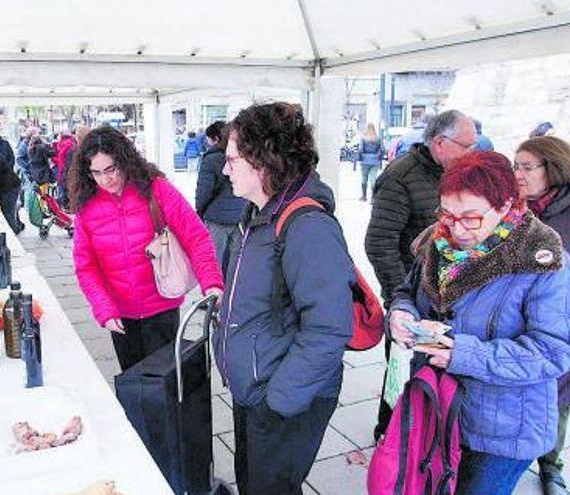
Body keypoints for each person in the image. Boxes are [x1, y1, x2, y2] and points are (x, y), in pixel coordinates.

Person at [387, 150, 570, 495]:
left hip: (501, 431)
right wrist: (401, 313)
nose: (457, 228)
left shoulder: (543, 261)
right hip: (439, 407)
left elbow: (558, 349)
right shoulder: (440, 238)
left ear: (507, 204)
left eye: (472, 218)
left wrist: (462, 354)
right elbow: (408, 290)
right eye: (447, 214)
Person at [215, 103, 355, 494]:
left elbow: (329, 328)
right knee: (254, 483)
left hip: (284, 395)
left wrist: (279, 399)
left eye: (232, 159)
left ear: (264, 160)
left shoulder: (307, 226)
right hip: (256, 386)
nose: (225, 169)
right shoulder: (259, 213)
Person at [69, 126, 224, 373]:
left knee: (168, 388)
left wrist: (212, 283)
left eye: (111, 169)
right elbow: (85, 267)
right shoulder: (86, 207)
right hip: (120, 318)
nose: (105, 179)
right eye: (96, 173)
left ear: (124, 159)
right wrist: (103, 308)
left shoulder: (156, 188)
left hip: (162, 309)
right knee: (136, 389)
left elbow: (196, 237)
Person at [365, 109, 477, 440]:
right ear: (440, 143)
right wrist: (402, 298)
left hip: (453, 302)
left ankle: (430, 440)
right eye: (467, 145)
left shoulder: (461, 175)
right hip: (413, 304)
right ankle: (389, 437)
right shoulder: (401, 177)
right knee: (404, 375)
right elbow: (379, 242)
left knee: (439, 375)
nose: (473, 152)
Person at [514, 136, 570, 495]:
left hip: (568, 331)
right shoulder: (511, 208)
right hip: (514, 329)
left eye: (526, 167)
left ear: (554, 168)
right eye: (515, 165)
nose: (517, 174)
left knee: (557, 402)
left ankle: (551, 468)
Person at [194, 120, 247, 273]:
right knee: (235, 263)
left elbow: (203, 191)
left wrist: (200, 210)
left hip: (217, 218)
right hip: (240, 217)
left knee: (213, 262)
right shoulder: (242, 155)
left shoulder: (211, 159)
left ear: (216, 138)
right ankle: (231, 293)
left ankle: (217, 294)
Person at [358, 123, 385, 202]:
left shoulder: (363, 138)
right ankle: (373, 198)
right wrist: (378, 157)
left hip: (365, 161)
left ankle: (364, 196)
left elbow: (360, 149)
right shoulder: (378, 138)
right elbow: (382, 149)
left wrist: (361, 157)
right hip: (375, 160)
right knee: (373, 179)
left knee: (364, 178)